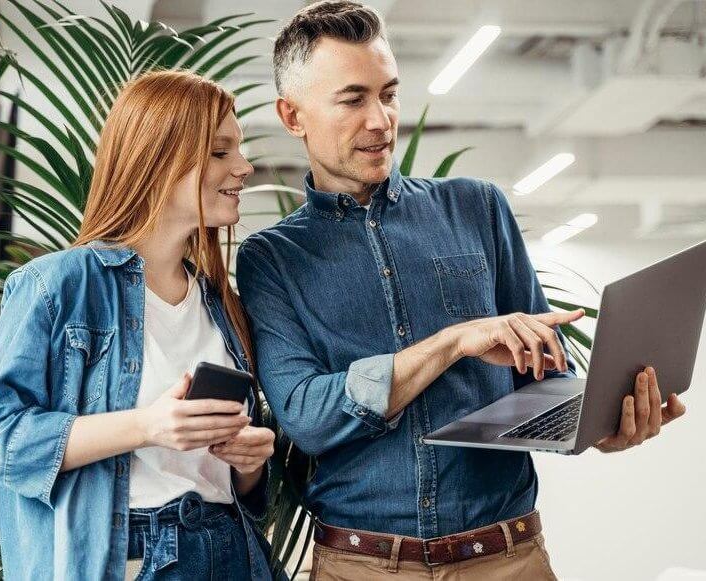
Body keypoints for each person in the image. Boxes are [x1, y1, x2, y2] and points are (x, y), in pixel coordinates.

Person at [235, 2, 687, 580]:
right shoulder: (272, 260)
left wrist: (601, 426)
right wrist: (452, 343)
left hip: (507, 559)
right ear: (292, 115)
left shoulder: (477, 208)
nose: (380, 120)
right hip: (361, 566)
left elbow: (543, 373)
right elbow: (305, 413)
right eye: (353, 99)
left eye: (390, 94)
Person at [0, 70, 277, 581]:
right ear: (159, 157)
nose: (244, 167)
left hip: (231, 552)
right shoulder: (57, 285)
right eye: (221, 152)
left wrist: (248, 464)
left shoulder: (222, 303)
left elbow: (233, 487)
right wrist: (147, 426)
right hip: (134, 557)